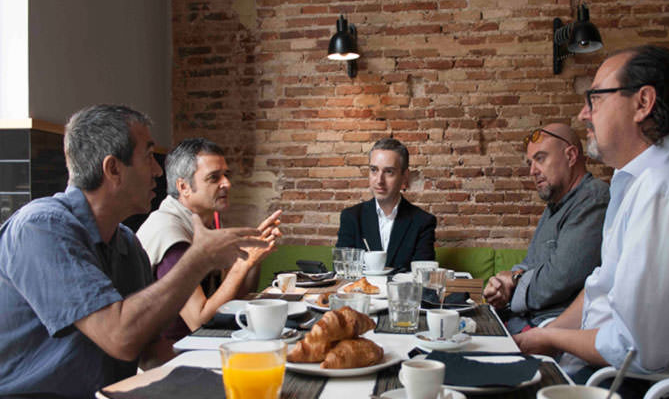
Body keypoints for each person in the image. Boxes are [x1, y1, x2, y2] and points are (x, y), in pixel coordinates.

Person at [0, 105, 269, 398]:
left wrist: (233, 370)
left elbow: (151, 351)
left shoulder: (127, 243)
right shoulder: (41, 228)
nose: (157, 171)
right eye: (149, 156)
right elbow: (120, 338)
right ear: (113, 168)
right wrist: (199, 259)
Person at [513, 46, 669, 394]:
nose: (584, 114)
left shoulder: (666, 192)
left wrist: (552, 336)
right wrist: (546, 333)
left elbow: (635, 350)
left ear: (643, 103)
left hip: (649, 386)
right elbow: (603, 285)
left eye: (594, 98)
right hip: (615, 370)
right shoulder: (643, 180)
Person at [136, 138, 281, 342]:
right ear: (184, 186)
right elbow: (199, 321)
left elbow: (230, 303)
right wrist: (242, 264)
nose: (227, 184)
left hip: (203, 343)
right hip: (174, 356)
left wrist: (253, 256)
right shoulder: (169, 232)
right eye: (214, 178)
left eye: (226, 175)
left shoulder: (205, 224)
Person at [483, 123, 609, 334]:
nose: (532, 171)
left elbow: (559, 279)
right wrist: (502, 284)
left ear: (570, 156)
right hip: (527, 321)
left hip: (553, 331)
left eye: (540, 158)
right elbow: (530, 264)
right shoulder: (555, 205)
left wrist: (512, 282)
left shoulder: (593, 198)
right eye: (530, 163)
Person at [336, 138, 436, 272]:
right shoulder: (351, 217)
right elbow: (343, 269)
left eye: (389, 172)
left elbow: (423, 275)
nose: (379, 180)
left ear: (404, 176)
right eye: (374, 170)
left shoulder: (423, 222)